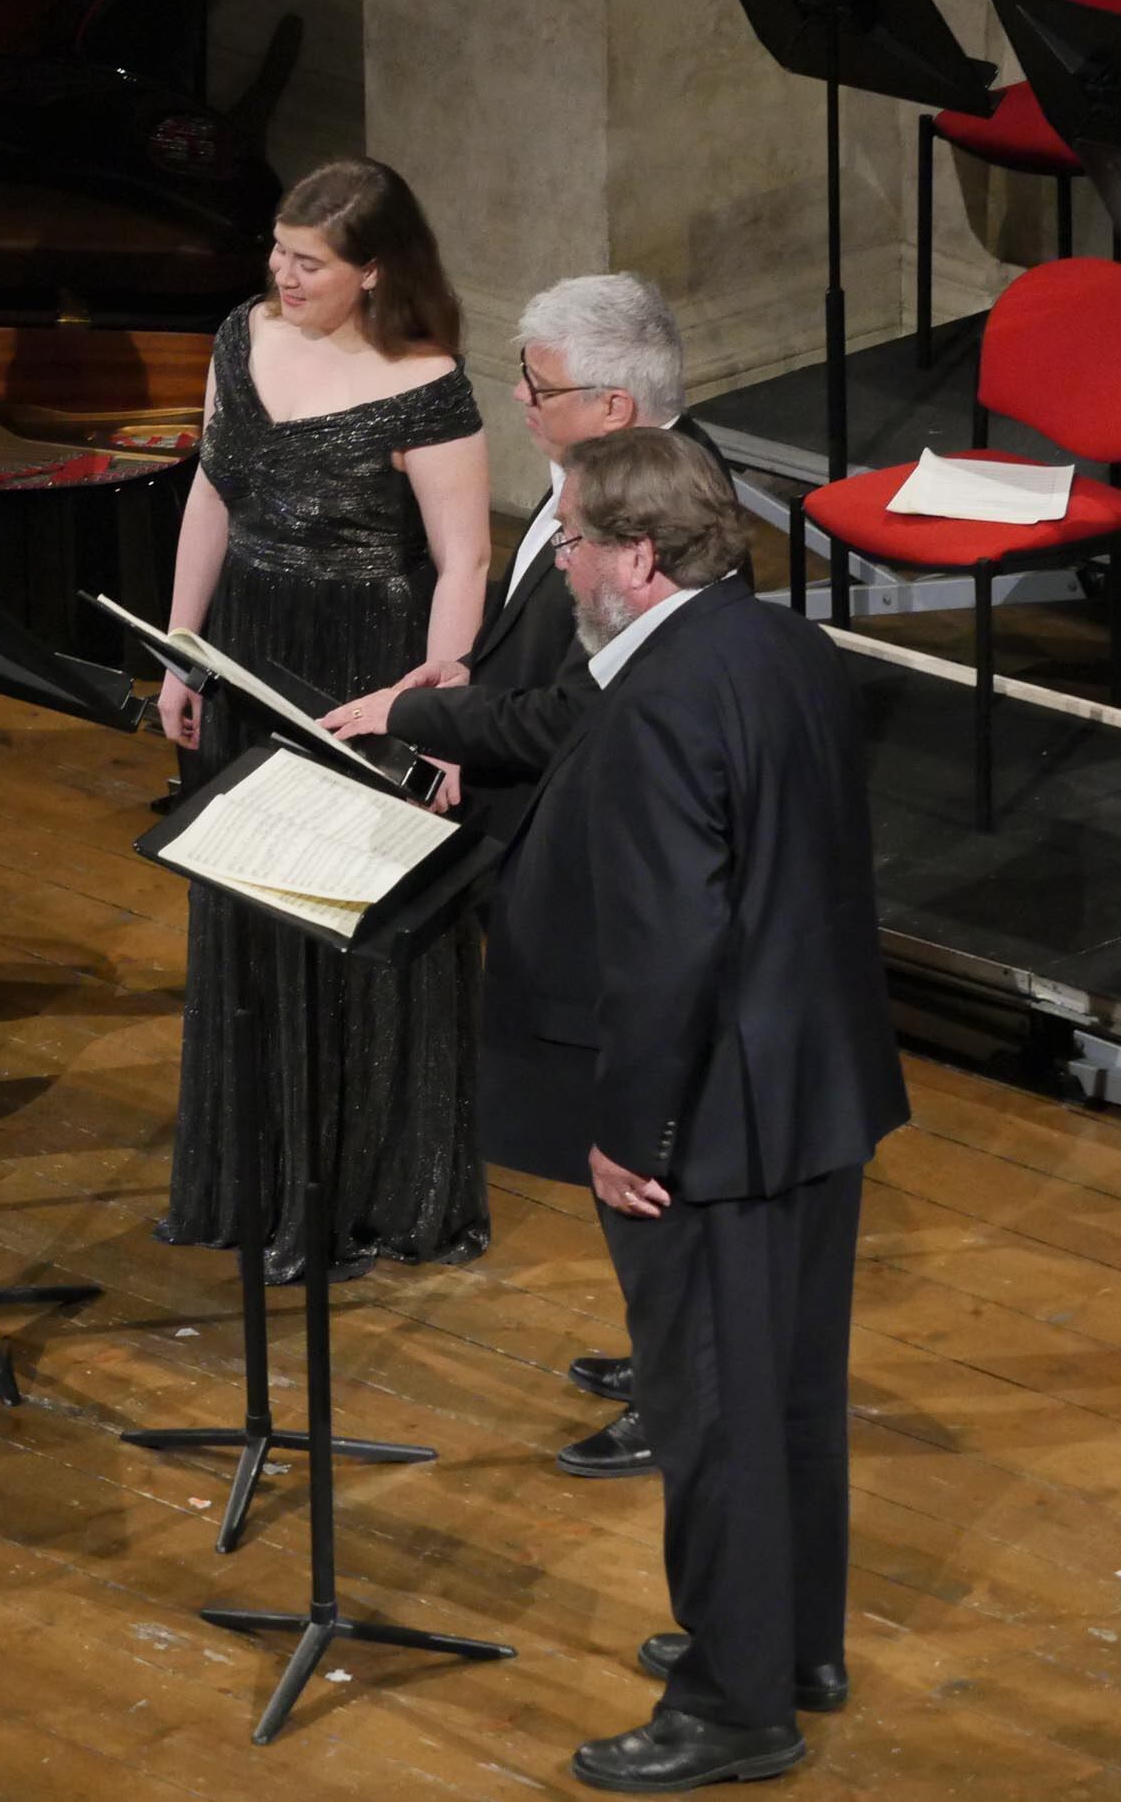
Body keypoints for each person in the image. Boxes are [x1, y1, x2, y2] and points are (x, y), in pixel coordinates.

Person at [484, 428, 904, 1793]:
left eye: (579, 544)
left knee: (713, 1407)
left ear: (640, 558)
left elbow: (668, 948)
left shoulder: (661, 698)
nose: (565, 565)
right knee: (789, 1392)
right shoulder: (787, 648)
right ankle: (792, 1647)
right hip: (817, 1091)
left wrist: (631, 1134)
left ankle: (735, 1705)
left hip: (711, 1119)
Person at [322, 270, 705, 1471]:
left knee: (643, 1143)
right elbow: (529, 671)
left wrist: (419, 721)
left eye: (538, 387)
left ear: (615, 403)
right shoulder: (587, 487)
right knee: (611, 1135)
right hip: (542, 841)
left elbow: (566, 716)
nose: (520, 403)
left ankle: (685, 1383)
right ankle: (664, 1348)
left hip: (602, 883)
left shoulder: (662, 531)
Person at [151, 157, 492, 1279]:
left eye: (309, 261)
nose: (281, 274)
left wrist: (432, 706)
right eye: (278, 253)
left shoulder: (427, 380)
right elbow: (212, 490)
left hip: (363, 666)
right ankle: (256, 1175)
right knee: (252, 901)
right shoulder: (240, 337)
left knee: (344, 914)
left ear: (373, 272)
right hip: (247, 644)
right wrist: (180, 651)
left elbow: (463, 555)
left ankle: (362, 1188)